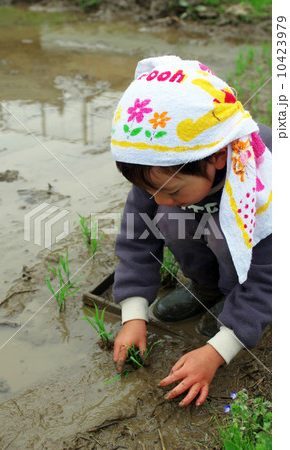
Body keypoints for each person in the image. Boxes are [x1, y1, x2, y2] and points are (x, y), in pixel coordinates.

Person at [110, 55, 272, 407]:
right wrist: (134, 314)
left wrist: (216, 351)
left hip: (267, 247)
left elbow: (270, 275)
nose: (160, 200)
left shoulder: (264, 181)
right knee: (169, 219)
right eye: (151, 191)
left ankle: (231, 299)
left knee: (224, 236)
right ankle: (206, 287)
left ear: (216, 157)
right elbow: (137, 238)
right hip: (210, 214)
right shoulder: (157, 162)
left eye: (172, 191)